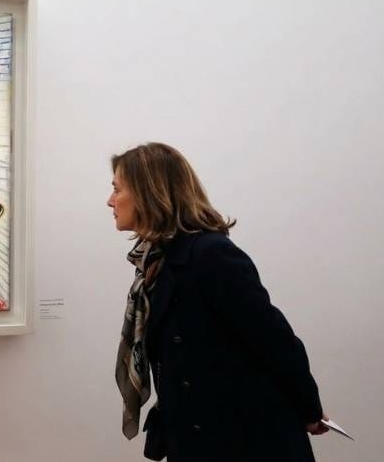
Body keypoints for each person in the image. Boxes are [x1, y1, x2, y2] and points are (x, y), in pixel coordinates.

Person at [109, 142, 328, 461]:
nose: (110, 200)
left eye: (117, 189)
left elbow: (275, 340)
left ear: (148, 193)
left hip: (245, 440)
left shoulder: (210, 255)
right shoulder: (157, 263)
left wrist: (309, 408)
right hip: (201, 435)